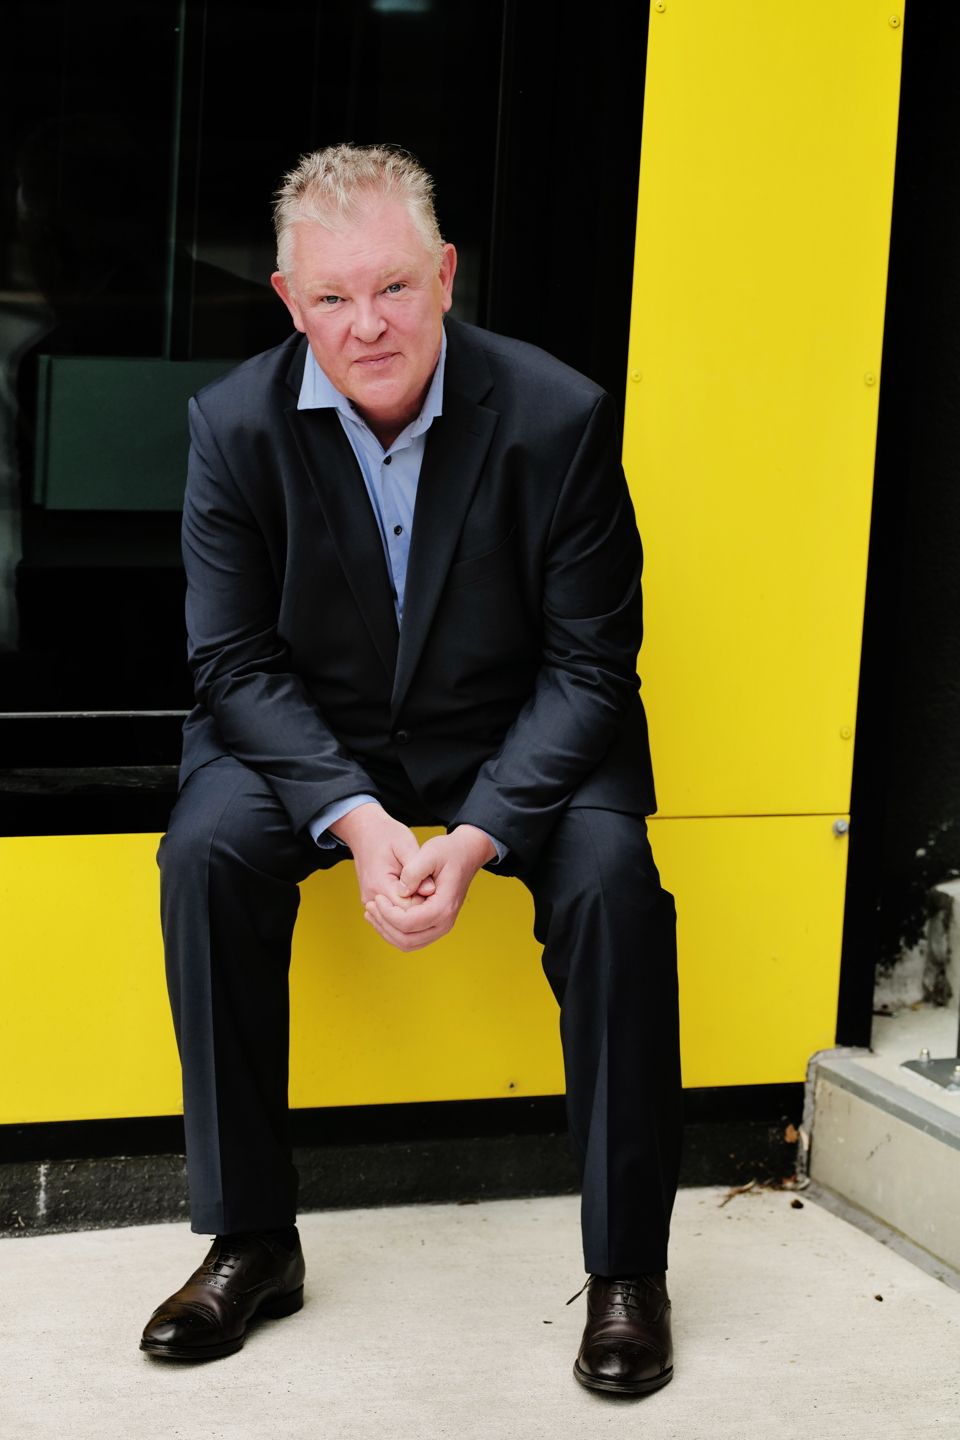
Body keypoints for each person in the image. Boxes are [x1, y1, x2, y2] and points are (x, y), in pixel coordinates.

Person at [140, 144, 682, 1396]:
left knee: (614, 886)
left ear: (444, 275)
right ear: (289, 301)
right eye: (332, 297)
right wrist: (354, 814)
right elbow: (231, 660)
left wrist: (478, 833)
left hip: (518, 731)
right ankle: (251, 1240)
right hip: (316, 736)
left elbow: (594, 666)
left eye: (392, 286)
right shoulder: (232, 424)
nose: (367, 325)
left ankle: (628, 1270)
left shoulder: (558, 415)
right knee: (205, 853)